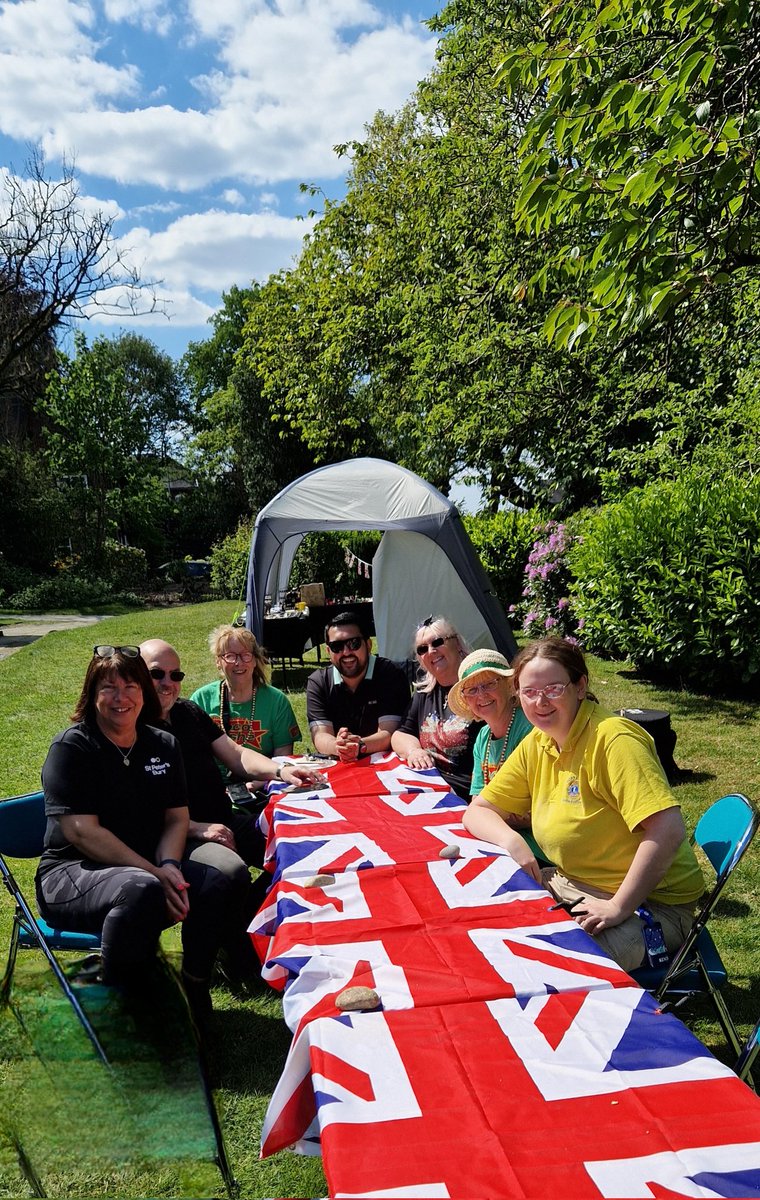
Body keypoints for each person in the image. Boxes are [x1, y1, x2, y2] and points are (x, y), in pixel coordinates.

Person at [463, 638, 704, 971]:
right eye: (529, 691)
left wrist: (619, 906)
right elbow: (477, 811)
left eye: (553, 688)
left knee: (555, 966)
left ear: (580, 686)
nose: (541, 701)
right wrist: (512, 842)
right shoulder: (540, 741)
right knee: (474, 915)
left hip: (650, 905)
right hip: (572, 883)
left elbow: (667, 828)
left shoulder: (613, 740)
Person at [36, 645, 246, 1021]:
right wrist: (156, 873)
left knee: (219, 876)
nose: (121, 698)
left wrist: (169, 864)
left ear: (143, 693)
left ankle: (194, 986)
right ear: (91, 693)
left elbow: (175, 819)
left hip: (147, 863)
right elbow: (82, 833)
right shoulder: (72, 747)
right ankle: (126, 1019)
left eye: (131, 686)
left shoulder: (162, 744)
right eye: (108, 688)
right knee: (141, 890)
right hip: (71, 871)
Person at [140, 638, 324, 983]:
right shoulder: (130, 728)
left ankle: (240, 935)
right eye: (156, 674)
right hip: (177, 834)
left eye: (175, 674)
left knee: (297, 847)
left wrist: (280, 770)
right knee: (230, 872)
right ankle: (197, 975)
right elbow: (135, 805)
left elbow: (236, 754)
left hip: (222, 818)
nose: (168, 683)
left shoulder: (187, 712)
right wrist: (194, 827)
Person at [190, 625, 300, 776]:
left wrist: (260, 782)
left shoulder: (276, 701)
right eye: (230, 656)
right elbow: (193, 754)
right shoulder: (201, 699)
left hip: (265, 781)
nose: (238, 662)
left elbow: (282, 755)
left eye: (245, 655)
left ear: (255, 660)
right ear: (218, 662)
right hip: (214, 784)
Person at [391, 616, 478, 798]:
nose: (431, 651)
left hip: (465, 794)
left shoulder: (478, 689)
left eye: (437, 642)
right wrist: (413, 751)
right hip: (429, 786)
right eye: (422, 649)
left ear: (457, 644)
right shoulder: (424, 694)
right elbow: (401, 734)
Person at [306, 610, 410, 763]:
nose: (346, 652)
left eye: (353, 643)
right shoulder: (318, 682)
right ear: (328, 651)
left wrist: (359, 745)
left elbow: (390, 732)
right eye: (337, 646)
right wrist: (339, 747)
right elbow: (320, 736)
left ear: (368, 645)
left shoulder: (391, 674)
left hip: (385, 766)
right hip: (339, 764)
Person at [447, 649, 533, 805]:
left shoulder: (528, 728)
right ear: (466, 700)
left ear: (509, 685)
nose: (481, 695)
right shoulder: (483, 737)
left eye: (489, 684)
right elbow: (477, 798)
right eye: (472, 690)